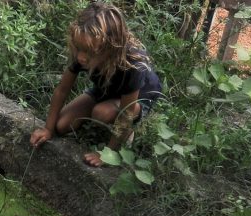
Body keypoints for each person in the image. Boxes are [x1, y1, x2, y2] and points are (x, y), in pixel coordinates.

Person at [30, 2, 163, 167]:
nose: (81, 57)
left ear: (111, 47)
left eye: (89, 52)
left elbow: (127, 112)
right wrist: (48, 129)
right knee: (61, 125)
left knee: (101, 113)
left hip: (138, 97)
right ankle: (101, 111)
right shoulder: (83, 48)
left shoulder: (134, 64)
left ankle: (127, 133)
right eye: (79, 48)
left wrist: (108, 154)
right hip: (106, 89)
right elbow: (62, 90)